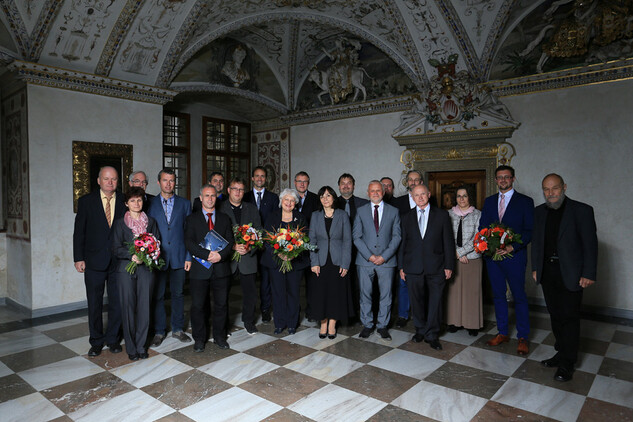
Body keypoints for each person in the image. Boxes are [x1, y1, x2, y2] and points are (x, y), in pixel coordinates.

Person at [532, 174, 597, 382]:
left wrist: (588, 273)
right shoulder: (539, 212)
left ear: (564, 187)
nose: (550, 193)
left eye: (555, 188)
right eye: (546, 189)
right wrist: (535, 268)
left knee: (570, 317)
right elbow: (537, 243)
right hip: (548, 271)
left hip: (572, 273)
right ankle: (560, 352)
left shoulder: (582, 211)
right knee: (555, 315)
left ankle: (568, 363)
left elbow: (590, 245)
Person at [479, 165, 534, 355]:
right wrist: (488, 246)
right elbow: (483, 228)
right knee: (498, 295)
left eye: (506, 177)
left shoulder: (525, 202)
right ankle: (502, 332)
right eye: (500, 177)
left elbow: (529, 231)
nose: (503, 180)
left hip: (514, 257)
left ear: (513, 179)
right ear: (495, 180)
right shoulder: (489, 201)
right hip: (493, 258)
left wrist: (512, 246)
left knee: (519, 296)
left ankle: (523, 337)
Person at [73, 166, 124, 357]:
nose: (110, 182)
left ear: (118, 181)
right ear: (98, 180)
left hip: (118, 261)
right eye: (106, 179)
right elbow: (79, 232)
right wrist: (78, 258)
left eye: (114, 179)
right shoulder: (86, 202)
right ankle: (95, 341)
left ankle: (113, 339)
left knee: (117, 302)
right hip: (93, 261)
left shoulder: (125, 200)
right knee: (94, 303)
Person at [398, 185, 454, 350]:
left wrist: (449, 265)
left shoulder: (442, 215)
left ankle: (432, 334)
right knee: (417, 302)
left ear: (429, 195)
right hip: (412, 267)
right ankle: (420, 330)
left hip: (437, 267)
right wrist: (401, 267)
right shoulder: (406, 217)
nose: (420, 197)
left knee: (435, 302)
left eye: (423, 194)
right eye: (417, 195)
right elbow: (403, 244)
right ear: (412, 197)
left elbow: (448, 242)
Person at [110, 187, 159, 360]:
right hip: (125, 270)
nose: (136, 203)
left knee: (145, 308)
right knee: (128, 309)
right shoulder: (119, 223)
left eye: (139, 200)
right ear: (126, 203)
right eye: (132, 200)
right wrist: (131, 255)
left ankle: (141, 346)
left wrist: (146, 255)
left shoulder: (151, 222)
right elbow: (115, 248)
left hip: (146, 270)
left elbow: (157, 244)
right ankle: (131, 348)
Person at [185, 185, 234, 351]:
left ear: (216, 198)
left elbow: (230, 241)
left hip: (221, 269)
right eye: (207, 195)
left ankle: (220, 337)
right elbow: (189, 242)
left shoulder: (225, 218)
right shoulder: (192, 219)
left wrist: (220, 256)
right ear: (201, 198)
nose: (210, 199)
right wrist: (207, 255)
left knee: (221, 305)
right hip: (200, 269)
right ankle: (199, 339)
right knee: (198, 306)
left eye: (213, 196)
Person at [147, 169, 192, 347]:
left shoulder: (185, 204)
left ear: (175, 182)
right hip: (158, 257)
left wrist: (189, 256)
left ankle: (178, 329)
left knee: (178, 294)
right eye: (165, 180)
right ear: (159, 182)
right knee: (157, 296)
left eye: (172, 181)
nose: (168, 184)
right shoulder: (150, 204)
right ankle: (159, 331)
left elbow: (189, 233)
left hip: (180, 257)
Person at [353, 181, 401, 341]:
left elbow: (397, 236)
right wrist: (370, 256)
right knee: (365, 294)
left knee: (386, 296)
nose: (375, 193)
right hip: (365, 261)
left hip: (387, 261)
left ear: (383, 192)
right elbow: (356, 237)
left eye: (378, 190)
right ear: (368, 193)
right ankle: (367, 324)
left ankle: (382, 326)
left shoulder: (394, 211)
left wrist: (384, 256)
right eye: (372, 191)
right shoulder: (360, 211)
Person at [261, 188, 309, 335]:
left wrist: (293, 253)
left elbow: (305, 238)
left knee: (293, 292)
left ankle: (292, 324)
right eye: (286, 200)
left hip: (296, 261)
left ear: (295, 203)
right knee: (278, 292)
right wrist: (279, 253)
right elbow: (267, 238)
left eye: (292, 200)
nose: (289, 203)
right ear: (281, 201)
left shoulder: (300, 217)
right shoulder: (272, 216)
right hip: (275, 262)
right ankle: (280, 323)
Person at [219, 177, 262, 334]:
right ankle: (224, 325)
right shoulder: (220, 208)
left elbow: (259, 231)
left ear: (244, 192)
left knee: (250, 294)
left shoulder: (251, 209)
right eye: (235, 189)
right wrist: (232, 247)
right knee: (223, 295)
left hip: (247, 258)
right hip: (227, 260)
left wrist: (249, 247)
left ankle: (249, 321)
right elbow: (216, 234)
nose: (238, 192)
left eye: (241, 189)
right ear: (228, 190)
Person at [309, 186, 353, 339]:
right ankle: (323, 323)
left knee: (335, 293)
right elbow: (312, 240)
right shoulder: (315, 216)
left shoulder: (342, 215)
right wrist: (313, 262)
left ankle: (333, 323)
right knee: (321, 294)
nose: (325, 199)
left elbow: (348, 240)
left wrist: (345, 264)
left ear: (334, 198)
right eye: (322, 196)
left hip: (338, 261)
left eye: (328, 195)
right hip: (320, 261)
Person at [244, 166, 279, 322]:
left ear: (266, 179)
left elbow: (275, 222)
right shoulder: (244, 197)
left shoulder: (273, 198)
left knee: (266, 280)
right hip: (248, 244)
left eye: (263, 176)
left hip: (267, 246)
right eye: (257, 176)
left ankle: (265, 309)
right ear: (252, 178)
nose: (260, 179)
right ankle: (250, 311)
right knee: (250, 281)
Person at [446, 186, 483, 337]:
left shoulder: (478, 215)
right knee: (453, 292)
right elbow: (446, 236)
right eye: (459, 196)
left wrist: (460, 252)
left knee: (471, 292)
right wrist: (456, 253)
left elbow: (479, 237)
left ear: (470, 198)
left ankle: (472, 324)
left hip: (472, 258)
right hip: (453, 258)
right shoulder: (448, 214)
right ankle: (453, 322)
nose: (462, 199)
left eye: (465, 196)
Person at [392, 170, 423, 329]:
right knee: (403, 283)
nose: (413, 182)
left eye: (416, 180)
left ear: (421, 182)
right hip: (404, 249)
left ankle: (420, 314)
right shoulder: (398, 202)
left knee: (422, 284)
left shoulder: (429, 200)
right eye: (410, 180)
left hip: (423, 251)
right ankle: (403, 314)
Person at [336, 173, 368, 324]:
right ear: (339, 186)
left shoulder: (364, 203)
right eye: (343, 183)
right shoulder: (332, 202)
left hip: (360, 251)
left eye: (349, 183)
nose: (346, 186)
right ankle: (342, 314)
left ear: (354, 186)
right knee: (341, 283)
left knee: (359, 284)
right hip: (339, 252)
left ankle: (357, 314)